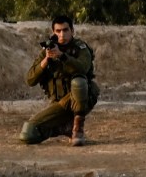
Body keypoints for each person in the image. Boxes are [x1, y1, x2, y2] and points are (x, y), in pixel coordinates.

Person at [21, 15, 98, 146]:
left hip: (80, 98)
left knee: (78, 81)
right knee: (28, 133)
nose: (62, 34)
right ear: (53, 33)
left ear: (72, 31)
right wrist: (45, 61)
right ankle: (63, 127)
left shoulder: (80, 48)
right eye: (58, 31)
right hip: (59, 104)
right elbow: (30, 80)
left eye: (65, 30)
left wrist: (62, 56)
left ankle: (78, 128)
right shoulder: (48, 49)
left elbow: (83, 68)